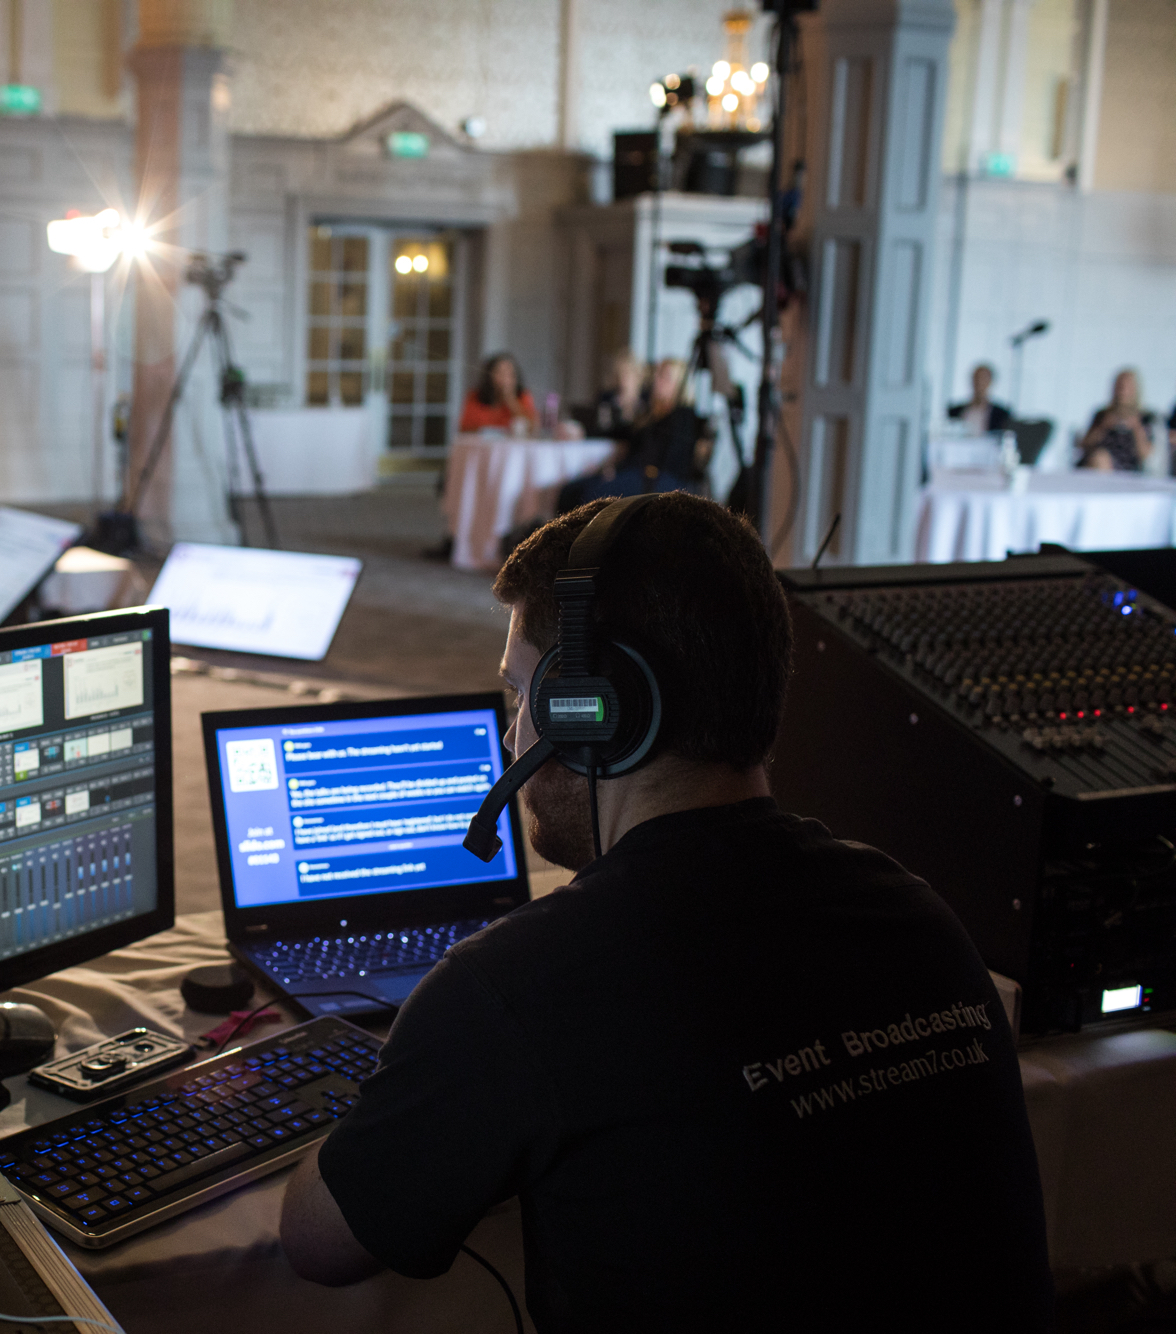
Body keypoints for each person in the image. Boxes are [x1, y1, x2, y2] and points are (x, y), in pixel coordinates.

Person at [279, 494, 1052, 1330]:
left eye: (519, 696)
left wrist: (417, 1080)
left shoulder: (523, 987)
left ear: (595, 709)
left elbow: (319, 1243)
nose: (511, 740)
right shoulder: (918, 920)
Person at [555, 357, 709, 510]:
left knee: (589, 496)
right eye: (657, 374)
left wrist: (619, 470)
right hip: (636, 474)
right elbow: (621, 431)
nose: (657, 380)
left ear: (680, 385)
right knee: (568, 492)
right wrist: (584, 432)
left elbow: (659, 457)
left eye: (664, 376)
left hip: (658, 480)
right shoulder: (651, 414)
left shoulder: (684, 416)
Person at [1079, 368, 1156, 472]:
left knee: (1101, 459)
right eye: (1120, 386)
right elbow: (1084, 445)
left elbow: (1146, 455)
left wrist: (1136, 427)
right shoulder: (1102, 414)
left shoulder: (1146, 417)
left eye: (1127, 386)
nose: (1123, 390)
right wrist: (1103, 426)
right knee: (1100, 458)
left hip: (1127, 469)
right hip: (1097, 462)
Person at [458, 353, 538, 434]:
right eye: (500, 373)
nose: (505, 378)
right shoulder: (475, 396)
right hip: (482, 445)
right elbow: (464, 429)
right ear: (489, 376)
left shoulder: (523, 396)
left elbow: (533, 429)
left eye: (510, 374)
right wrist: (492, 432)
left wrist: (511, 400)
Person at [588, 350, 644, 438]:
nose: (622, 379)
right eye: (618, 374)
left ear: (637, 375)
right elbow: (598, 429)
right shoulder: (605, 398)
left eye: (626, 373)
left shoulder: (646, 402)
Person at [947, 361, 1013, 435]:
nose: (979, 383)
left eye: (983, 379)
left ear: (990, 382)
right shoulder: (954, 411)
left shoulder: (1001, 414)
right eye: (976, 378)